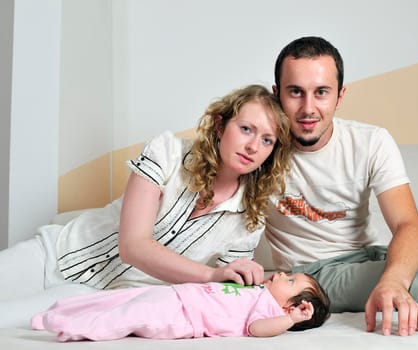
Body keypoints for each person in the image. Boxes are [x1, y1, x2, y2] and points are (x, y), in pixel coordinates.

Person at [264, 36, 418, 340]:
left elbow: (408, 225)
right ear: (277, 95)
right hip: (310, 271)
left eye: (321, 92)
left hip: (364, 255)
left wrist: (392, 279)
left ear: (340, 96)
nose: (308, 108)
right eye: (295, 92)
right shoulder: (261, 146)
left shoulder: (370, 141)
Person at [0, 84, 292, 327]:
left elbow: (217, 297)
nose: (254, 146)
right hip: (53, 254)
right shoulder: (166, 153)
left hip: (96, 299)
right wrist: (212, 274)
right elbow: (133, 246)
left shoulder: (251, 220)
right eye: (245, 129)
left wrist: (244, 284)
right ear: (219, 125)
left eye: (267, 140)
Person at [31, 272, 330, 341]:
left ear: (292, 306)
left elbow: (256, 329)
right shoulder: (257, 290)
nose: (280, 274)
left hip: (184, 315)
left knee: (130, 315)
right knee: (120, 298)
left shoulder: (269, 311)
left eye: (289, 280)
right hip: (178, 294)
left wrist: (289, 321)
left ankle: (72, 328)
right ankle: (60, 311)